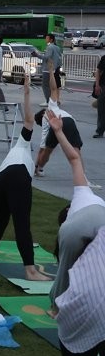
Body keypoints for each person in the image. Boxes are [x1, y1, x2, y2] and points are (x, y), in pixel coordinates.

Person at [0, 74, 52, 282]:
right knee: (22, 224)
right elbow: (30, 119)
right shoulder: (25, 149)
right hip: (17, 177)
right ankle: (31, 271)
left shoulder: (20, 145)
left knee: (1, 217)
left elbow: (28, 121)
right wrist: (26, 92)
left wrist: (26, 91)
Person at [51, 210, 105, 356]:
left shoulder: (77, 236)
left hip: (85, 309)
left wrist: (57, 307)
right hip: (86, 309)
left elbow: (60, 291)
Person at [48, 109, 105, 314]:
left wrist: (57, 132)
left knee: (66, 269)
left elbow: (73, 159)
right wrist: (59, 132)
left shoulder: (72, 220)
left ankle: (55, 308)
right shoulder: (83, 193)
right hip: (102, 221)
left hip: (83, 224)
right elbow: (74, 158)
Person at [34, 66, 80, 177]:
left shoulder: (46, 121)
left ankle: (39, 169)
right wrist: (51, 72)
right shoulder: (51, 106)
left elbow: (42, 150)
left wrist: (35, 165)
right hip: (70, 121)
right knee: (76, 152)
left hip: (64, 123)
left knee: (47, 152)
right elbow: (54, 89)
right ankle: (83, 178)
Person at [35, 34, 63, 105]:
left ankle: (48, 101)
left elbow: (47, 57)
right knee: (53, 85)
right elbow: (59, 59)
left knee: (45, 85)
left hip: (47, 69)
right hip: (54, 68)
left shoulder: (49, 47)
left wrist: (37, 55)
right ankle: (54, 100)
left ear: (51, 39)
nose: (46, 39)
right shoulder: (57, 47)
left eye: (47, 38)